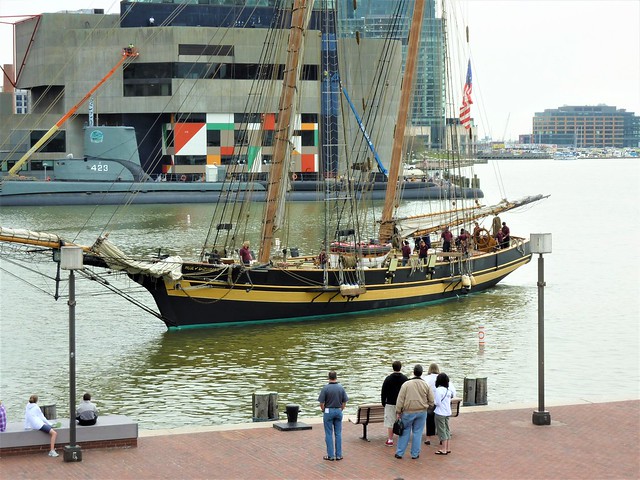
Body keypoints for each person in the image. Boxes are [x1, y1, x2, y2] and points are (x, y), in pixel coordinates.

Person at [394, 364, 434, 460]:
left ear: (414, 372)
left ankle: (400, 453)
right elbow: (431, 400)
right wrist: (428, 406)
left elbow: (400, 399)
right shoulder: (425, 384)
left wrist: (398, 411)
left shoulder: (406, 384)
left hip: (408, 411)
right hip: (421, 411)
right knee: (418, 433)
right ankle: (415, 454)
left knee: (405, 431)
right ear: (421, 373)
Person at [318, 370, 348, 461]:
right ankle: (339, 455)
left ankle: (330, 455)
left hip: (328, 411)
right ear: (336, 377)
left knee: (328, 433)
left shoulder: (325, 388)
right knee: (338, 433)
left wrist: (323, 410)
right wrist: (341, 409)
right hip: (338, 411)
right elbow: (344, 401)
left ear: (328, 378)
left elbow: (321, 403)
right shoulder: (341, 388)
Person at [381, 361, 408, 446]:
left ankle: (390, 439)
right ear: (400, 367)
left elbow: (383, 392)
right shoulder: (405, 379)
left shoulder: (388, 379)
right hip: (402, 403)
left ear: (393, 368)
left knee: (390, 422)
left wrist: (383, 402)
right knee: (402, 421)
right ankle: (403, 438)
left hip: (390, 403)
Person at [433, 372, 456, 455]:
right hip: (447, 412)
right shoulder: (448, 390)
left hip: (440, 413)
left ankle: (443, 449)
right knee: (446, 429)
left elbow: (437, 403)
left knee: (441, 430)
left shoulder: (438, 390)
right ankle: (447, 448)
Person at [424, 363, 440, 445]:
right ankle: (441, 438)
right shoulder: (441, 377)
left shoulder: (426, 378)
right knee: (440, 421)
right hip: (439, 402)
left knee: (429, 420)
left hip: (430, 402)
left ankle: (428, 438)